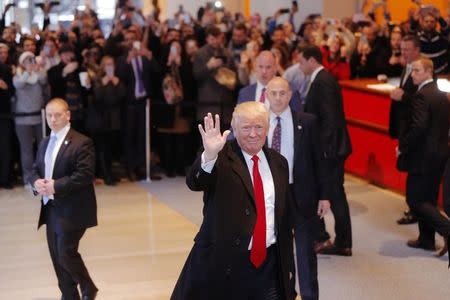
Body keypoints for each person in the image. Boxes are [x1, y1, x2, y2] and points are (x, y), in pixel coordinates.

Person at [171, 102, 296, 300]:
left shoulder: (279, 163)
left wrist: (288, 268)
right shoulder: (221, 158)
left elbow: (284, 218)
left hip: (269, 266)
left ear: (267, 128)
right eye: (246, 128)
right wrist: (210, 154)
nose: (253, 134)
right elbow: (195, 181)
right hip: (227, 266)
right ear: (235, 129)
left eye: (259, 127)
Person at [266, 77, 331, 300]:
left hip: (302, 195)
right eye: (273, 93)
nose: (277, 97)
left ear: (290, 95)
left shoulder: (307, 122)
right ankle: (286, 293)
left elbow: (320, 162)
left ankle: (310, 296)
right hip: (272, 197)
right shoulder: (260, 123)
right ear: (266, 94)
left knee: (305, 253)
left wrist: (324, 195)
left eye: (282, 93)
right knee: (280, 253)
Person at [29, 98, 98, 300]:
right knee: (56, 258)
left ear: (68, 115)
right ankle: (69, 296)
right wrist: (35, 183)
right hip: (51, 208)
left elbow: (85, 175)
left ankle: (88, 287)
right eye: (49, 115)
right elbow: (34, 169)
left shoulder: (82, 142)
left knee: (65, 252)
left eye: (57, 115)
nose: (53, 119)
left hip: (73, 209)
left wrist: (55, 186)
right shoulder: (44, 142)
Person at [298, 46, 353, 256]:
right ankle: (337, 240)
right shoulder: (321, 79)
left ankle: (343, 242)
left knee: (335, 195)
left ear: (311, 61)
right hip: (331, 148)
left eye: (301, 62)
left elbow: (331, 119)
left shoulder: (323, 81)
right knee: (334, 193)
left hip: (331, 150)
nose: (300, 66)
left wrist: (324, 151)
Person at [397, 58, 450, 258]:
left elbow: (418, 127)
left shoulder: (421, 96)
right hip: (440, 154)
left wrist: (403, 146)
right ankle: (426, 240)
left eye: (417, 70)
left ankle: (447, 229)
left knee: (415, 199)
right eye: (412, 71)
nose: (412, 74)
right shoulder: (441, 93)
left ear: (429, 72)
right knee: (428, 197)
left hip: (424, 156)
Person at [389, 35, 421, 225]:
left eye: (408, 49)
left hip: (413, 128)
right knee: (407, 166)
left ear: (417, 50)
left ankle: (415, 209)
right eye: (402, 49)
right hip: (403, 125)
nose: (404, 53)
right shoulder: (406, 67)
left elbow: (420, 101)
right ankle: (413, 207)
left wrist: (403, 97)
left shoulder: (422, 70)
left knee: (413, 169)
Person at [13, 51, 47, 186]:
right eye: (27, 60)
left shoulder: (38, 73)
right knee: (26, 150)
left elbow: (44, 80)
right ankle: (28, 178)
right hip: (22, 120)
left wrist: (37, 69)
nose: (31, 62)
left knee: (42, 148)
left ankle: (43, 175)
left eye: (32, 59)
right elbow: (19, 85)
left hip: (39, 117)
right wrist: (27, 71)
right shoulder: (17, 76)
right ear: (22, 63)